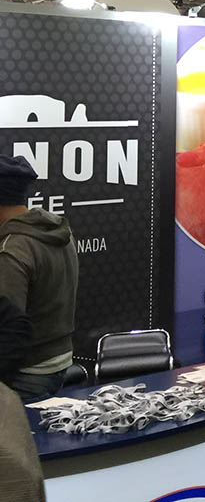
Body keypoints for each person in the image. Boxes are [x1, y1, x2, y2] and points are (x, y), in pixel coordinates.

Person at [0, 154, 79, 402]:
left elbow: (9, 332)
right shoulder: (59, 231)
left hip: (26, 372)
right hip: (60, 361)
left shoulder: (12, 250)